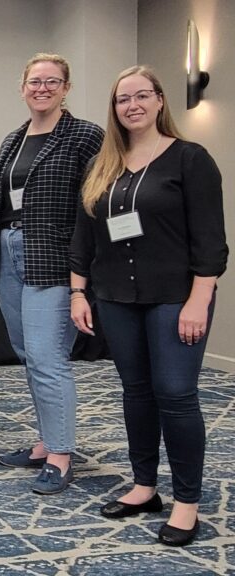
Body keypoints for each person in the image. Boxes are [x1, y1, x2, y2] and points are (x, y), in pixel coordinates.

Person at [71, 65, 227, 547]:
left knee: (176, 394)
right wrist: (78, 291)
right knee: (136, 393)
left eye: (142, 96)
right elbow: (85, 235)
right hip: (116, 296)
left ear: (160, 101)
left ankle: (186, 502)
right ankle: (144, 486)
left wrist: (199, 301)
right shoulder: (104, 164)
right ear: (114, 109)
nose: (132, 105)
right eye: (123, 99)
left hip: (176, 298)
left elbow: (211, 242)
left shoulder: (190, 158)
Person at [0, 53, 104, 494]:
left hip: (53, 257)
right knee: (28, 355)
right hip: (8, 253)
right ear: (23, 88)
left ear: (66, 88)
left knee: (48, 357)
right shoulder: (14, 138)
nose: (42, 88)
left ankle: (61, 454)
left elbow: (92, 207)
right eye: (35, 81)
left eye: (52, 82)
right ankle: (45, 440)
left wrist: (82, 277)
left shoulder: (85, 135)